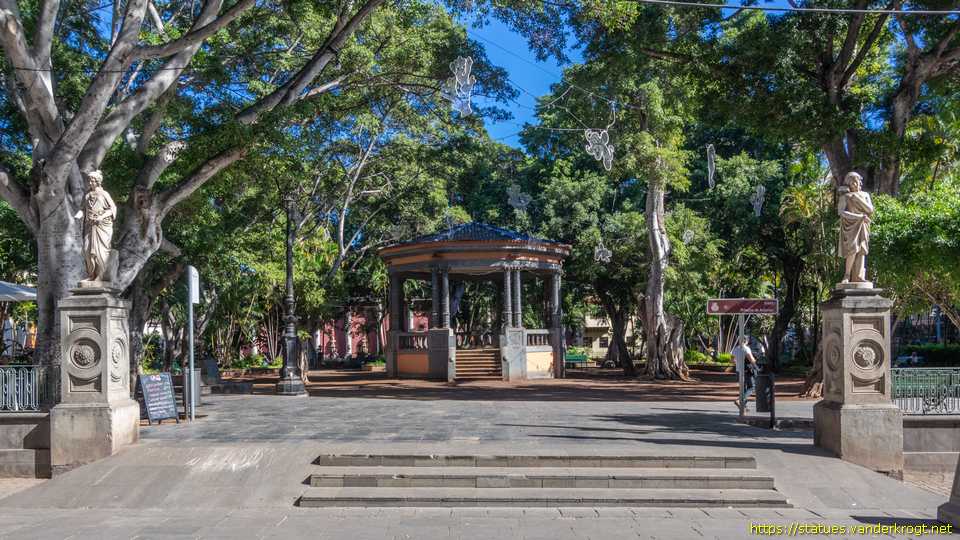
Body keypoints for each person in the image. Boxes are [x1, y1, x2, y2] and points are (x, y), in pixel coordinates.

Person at [732, 336, 758, 411]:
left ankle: (744, 406)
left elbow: (732, 360)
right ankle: (739, 400)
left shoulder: (736, 349)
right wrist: (756, 362)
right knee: (752, 387)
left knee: (743, 389)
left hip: (738, 371)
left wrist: (738, 361)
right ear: (746, 341)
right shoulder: (746, 348)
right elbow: (752, 360)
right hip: (746, 371)